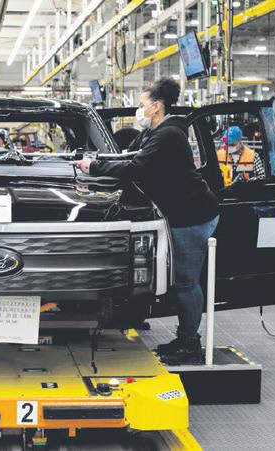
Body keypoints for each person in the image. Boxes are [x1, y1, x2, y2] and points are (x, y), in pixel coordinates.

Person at [72, 78, 219, 365]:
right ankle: (184, 338)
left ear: (156, 106)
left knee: (186, 283)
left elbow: (135, 167)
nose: (139, 110)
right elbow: (127, 155)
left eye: (141, 105)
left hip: (192, 216)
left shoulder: (168, 135)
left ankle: (189, 344)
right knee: (179, 281)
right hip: (179, 214)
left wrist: (94, 167)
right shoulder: (155, 132)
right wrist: (98, 159)